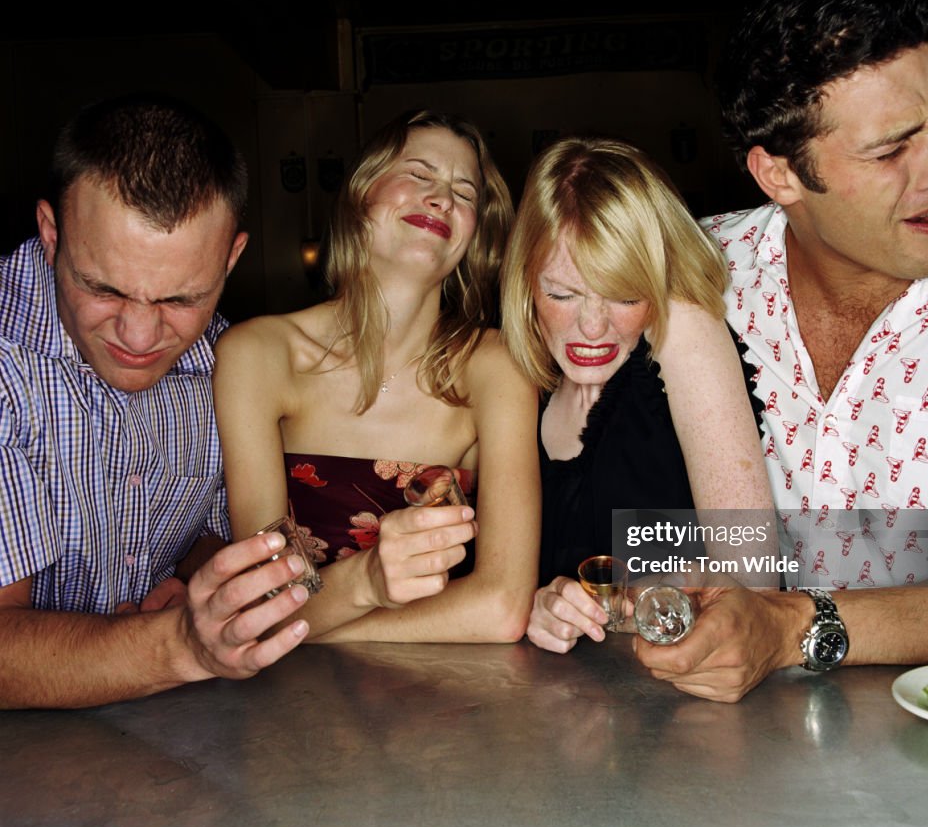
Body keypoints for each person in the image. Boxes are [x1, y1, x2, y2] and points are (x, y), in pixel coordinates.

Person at [636, 0, 928, 702]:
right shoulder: (693, 278)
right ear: (779, 174)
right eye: (891, 150)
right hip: (736, 759)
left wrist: (793, 627)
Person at [0, 94, 311, 709]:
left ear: (232, 258)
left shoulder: (233, 359)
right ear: (50, 232)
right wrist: (179, 644)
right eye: (101, 288)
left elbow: (215, 532)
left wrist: (200, 581)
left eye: (181, 299)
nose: (139, 338)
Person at [214, 109, 539, 642]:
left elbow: (502, 608)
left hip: (451, 700)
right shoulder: (257, 354)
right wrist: (364, 585)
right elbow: (257, 599)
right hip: (286, 705)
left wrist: (305, 629)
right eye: (418, 173)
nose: (443, 199)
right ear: (361, 192)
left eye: (465, 191)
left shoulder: (496, 366)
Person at [500, 137, 775, 654]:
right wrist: (544, 606)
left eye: (625, 295)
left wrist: (635, 599)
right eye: (561, 293)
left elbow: (755, 583)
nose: (591, 326)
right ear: (525, 282)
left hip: (684, 709)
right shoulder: (520, 382)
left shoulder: (683, 332)